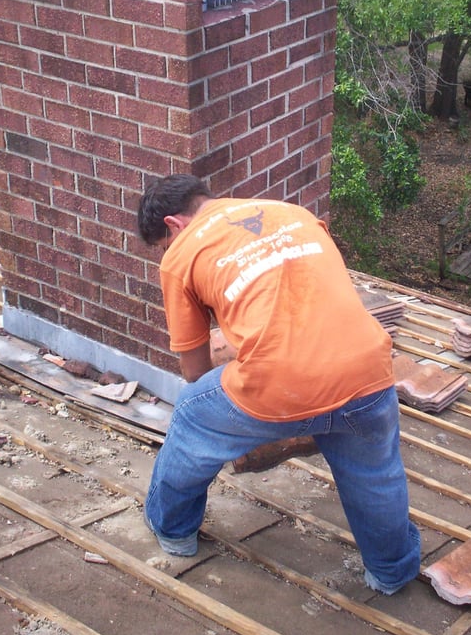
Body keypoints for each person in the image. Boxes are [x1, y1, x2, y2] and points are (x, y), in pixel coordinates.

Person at [137, 174, 421, 594]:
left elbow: (195, 370)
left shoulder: (181, 255)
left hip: (279, 388)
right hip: (367, 374)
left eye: (163, 244)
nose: (167, 252)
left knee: (194, 413)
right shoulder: (295, 214)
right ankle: (392, 573)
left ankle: (173, 530)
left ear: (174, 226)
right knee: (375, 473)